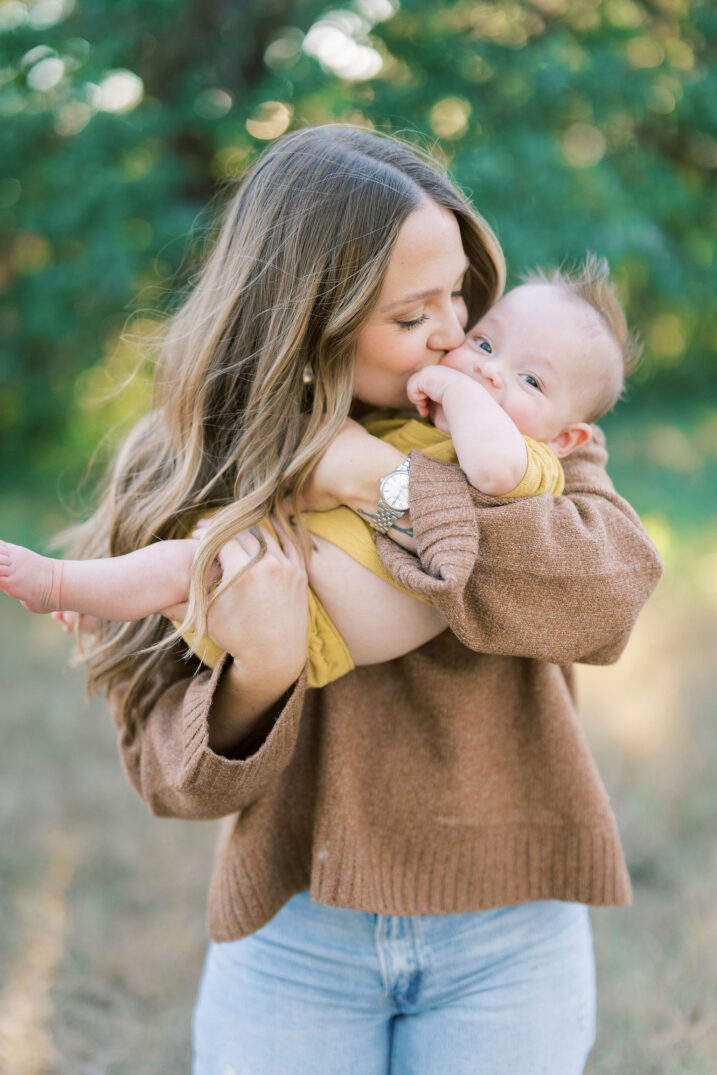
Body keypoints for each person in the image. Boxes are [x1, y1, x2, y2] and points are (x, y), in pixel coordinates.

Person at [35, 126, 661, 1073]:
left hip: (506, 926)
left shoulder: (519, 432)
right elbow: (171, 779)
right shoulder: (200, 465)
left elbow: (602, 599)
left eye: (459, 291)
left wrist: (380, 481)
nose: (457, 332)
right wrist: (264, 672)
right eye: (414, 314)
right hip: (296, 930)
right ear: (309, 319)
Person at [0, 259, 631, 692]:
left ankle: (64, 585)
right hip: (280, 598)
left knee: (188, 570)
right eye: (487, 346)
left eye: (530, 380)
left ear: (566, 434)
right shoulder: (401, 428)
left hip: (321, 626)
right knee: (180, 570)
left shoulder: (537, 464)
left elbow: (492, 471)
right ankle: (84, 599)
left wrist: (443, 402)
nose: (492, 373)